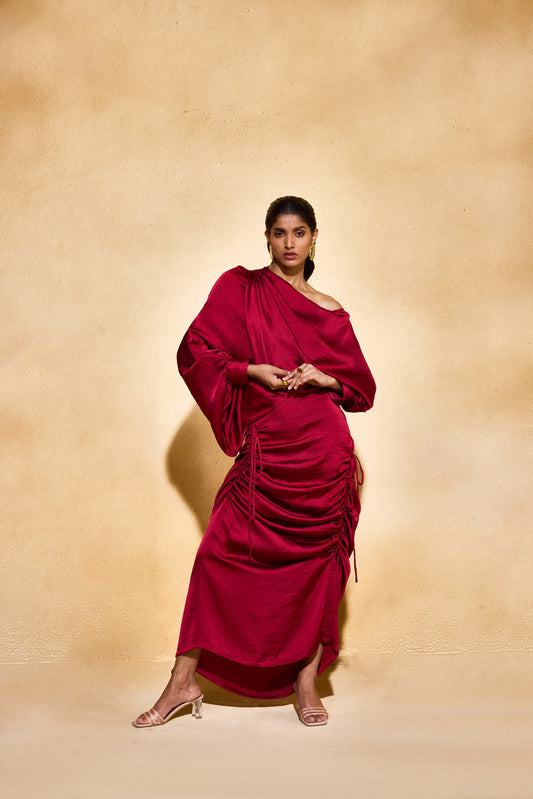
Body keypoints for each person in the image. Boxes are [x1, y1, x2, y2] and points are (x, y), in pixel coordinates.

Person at [133, 196, 376, 729]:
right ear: (266, 237)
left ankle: (306, 682)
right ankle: (182, 680)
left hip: (324, 457)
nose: (289, 243)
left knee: (317, 571)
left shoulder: (330, 309)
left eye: (300, 232)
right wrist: (248, 370)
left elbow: (363, 390)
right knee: (216, 555)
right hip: (267, 456)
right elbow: (194, 350)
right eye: (280, 232)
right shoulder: (239, 288)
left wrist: (324, 378)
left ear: (314, 238)